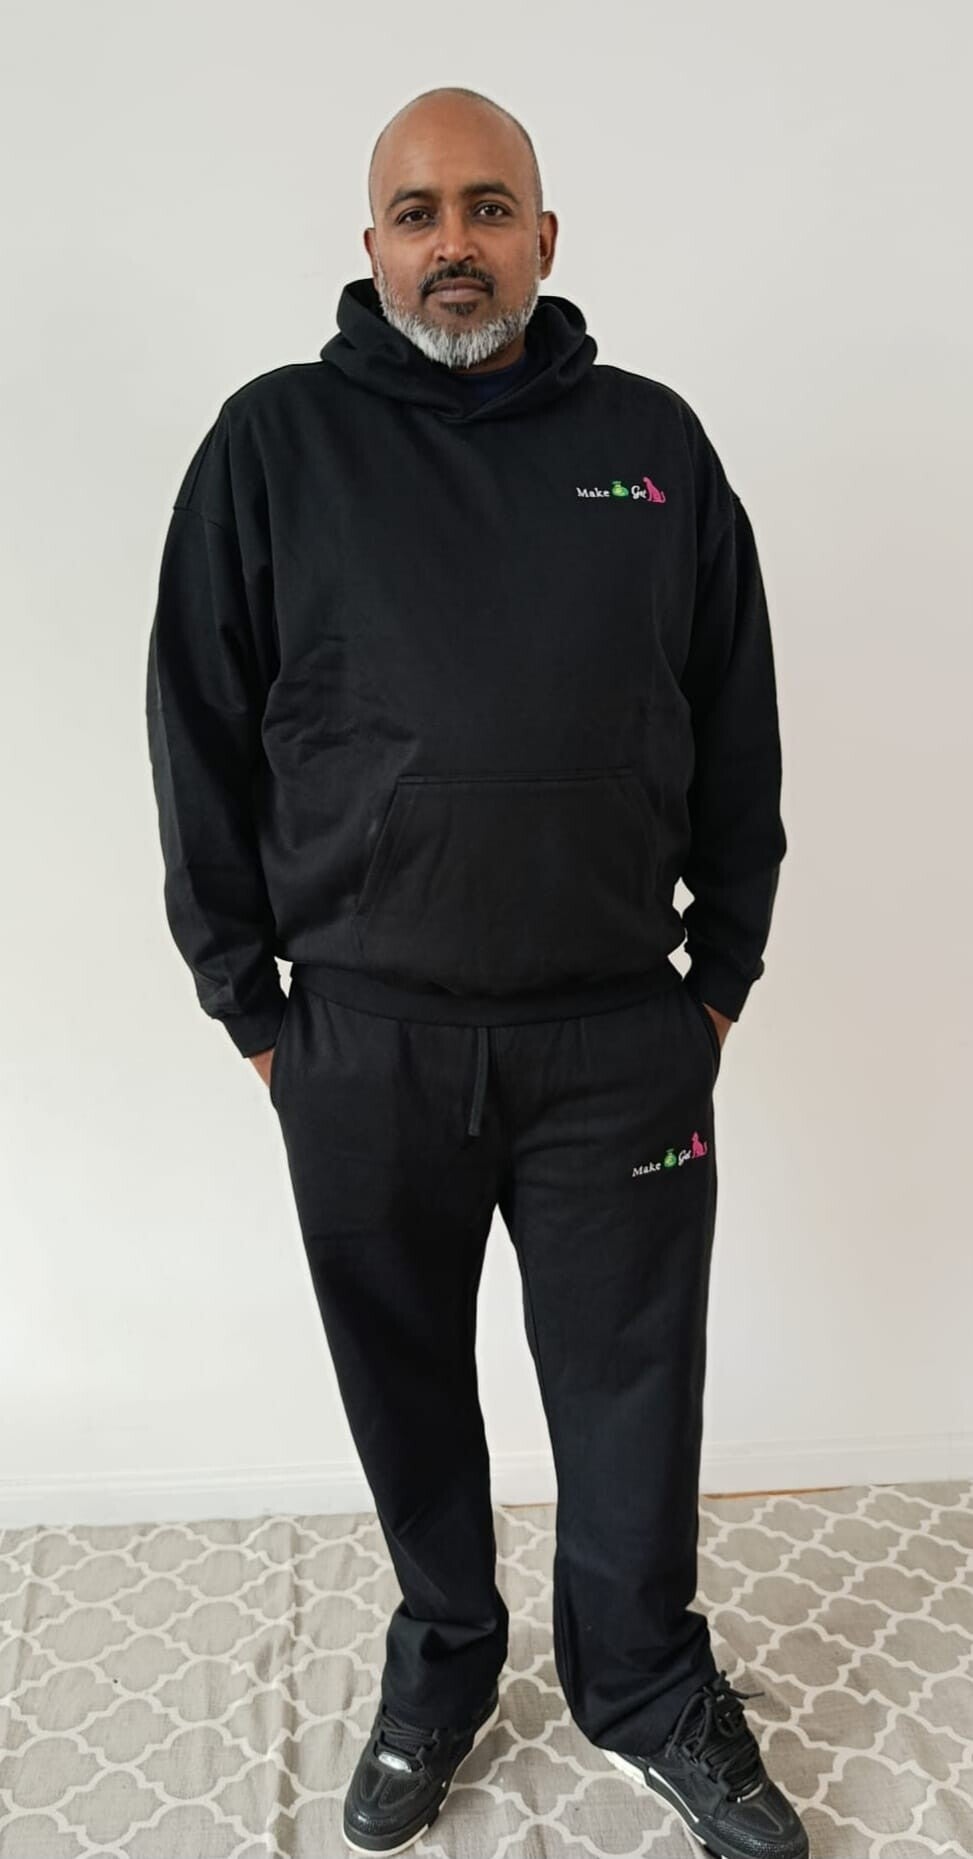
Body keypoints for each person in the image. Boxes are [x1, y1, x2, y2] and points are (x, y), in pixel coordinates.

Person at [145, 82, 807, 1859]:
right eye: (420, 211)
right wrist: (253, 1009)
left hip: (615, 1042)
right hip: (365, 1044)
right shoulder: (273, 444)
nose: (456, 244)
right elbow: (197, 730)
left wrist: (719, 979)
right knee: (405, 1386)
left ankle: (646, 1683)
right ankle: (442, 1661)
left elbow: (735, 720)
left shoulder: (653, 444)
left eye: (489, 207)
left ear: (545, 236)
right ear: (370, 243)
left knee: (630, 1395)